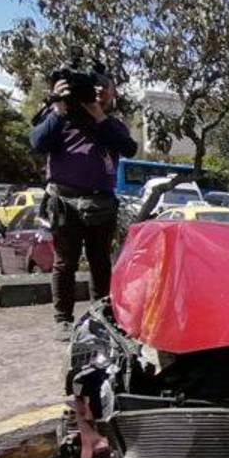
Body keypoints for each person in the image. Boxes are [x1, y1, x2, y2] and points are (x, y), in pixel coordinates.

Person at [30, 72, 137, 341]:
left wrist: (99, 116)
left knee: (100, 262)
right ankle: (63, 320)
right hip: (64, 200)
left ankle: (102, 318)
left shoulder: (112, 125)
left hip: (101, 202)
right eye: (94, 87)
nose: (99, 90)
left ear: (113, 94)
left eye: (105, 87)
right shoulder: (58, 117)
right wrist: (57, 108)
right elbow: (37, 143)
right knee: (64, 263)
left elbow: (129, 148)